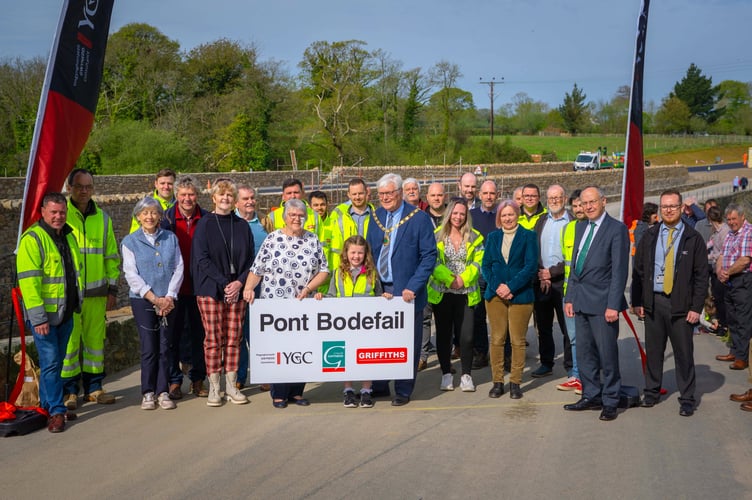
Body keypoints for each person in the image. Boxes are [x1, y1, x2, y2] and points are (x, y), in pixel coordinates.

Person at [243, 198, 330, 408]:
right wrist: (247, 288)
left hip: (302, 305)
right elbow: (257, 269)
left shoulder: (312, 239)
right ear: (285, 217)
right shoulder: (272, 239)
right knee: (280, 350)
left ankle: (297, 392)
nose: (296, 219)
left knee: (301, 349)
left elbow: (324, 270)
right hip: (276, 307)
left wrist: (309, 288)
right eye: (292, 215)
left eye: (300, 216)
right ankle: (279, 393)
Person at [631, 190, 708, 417]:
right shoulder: (650, 235)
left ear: (681, 207)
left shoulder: (693, 238)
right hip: (654, 302)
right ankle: (652, 392)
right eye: (664, 207)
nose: (668, 210)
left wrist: (696, 308)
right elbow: (639, 271)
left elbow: (702, 277)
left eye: (673, 206)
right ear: (659, 210)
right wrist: (637, 301)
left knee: (684, 354)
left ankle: (687, 398)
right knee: (654, 352)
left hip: (682, 306)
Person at [367, 173, 437, 406]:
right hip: (381, 290)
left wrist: (413, 286)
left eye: (389, 193)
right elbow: (371, 252)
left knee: (407, 343)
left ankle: (403, 390)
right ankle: (379, 385)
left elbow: (429, 256)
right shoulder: (376, 216)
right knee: (380, 341)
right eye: (381, 194)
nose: (385, 198)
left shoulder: (418, 219)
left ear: (400, 192)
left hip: (407, 292)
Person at [17, 193, 83, 432]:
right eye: (53, 212)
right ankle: (56, 411)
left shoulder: (68, 236)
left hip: (65, 313)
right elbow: (29, 283)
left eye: (62, 212)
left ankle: (47, 407)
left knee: (53, 364)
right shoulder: (32, 239)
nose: (58, 216)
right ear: (42, 212)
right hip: (45, 317)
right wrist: (38, 318)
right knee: (52, 363)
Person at [563, 185, 629, 422]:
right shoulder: (580, 227)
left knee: (607, 354)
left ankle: (610, 399)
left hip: (603, 305)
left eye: (592, 202)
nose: (588, 207)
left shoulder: (616, 230)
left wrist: (613, 305)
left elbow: (619, 272)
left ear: (603, 201)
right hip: (580, 301)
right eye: (584, 203)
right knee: (585, 353)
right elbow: (574, 267)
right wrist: (570, 297)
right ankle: (591, 395)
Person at [191, 179, 254, 407]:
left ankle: (231, 386)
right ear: (214, 198)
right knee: (213, 339)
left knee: (234, 339)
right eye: (222, 195)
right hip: (210, 289)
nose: (226, 199)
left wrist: (238, 283)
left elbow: (250, 260)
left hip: (236, 288)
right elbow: (202, 258)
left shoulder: (242, 226)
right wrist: (223, 283)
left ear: (234, 199)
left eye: (230, 195)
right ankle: (214, 388)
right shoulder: (205, 224)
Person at [62, 168, 120, 409]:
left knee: (95, 343)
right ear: (70, 188)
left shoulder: (103, 219)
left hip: (97, 295)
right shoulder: (62, 215)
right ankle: (69, 392)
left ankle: (94, 388)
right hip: (70, 296)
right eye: (79, 186)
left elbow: (111, 258)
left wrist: (113, 290)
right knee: (70, 345)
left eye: (88, 186)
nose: (84, 191)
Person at [122, 197, 184, 411]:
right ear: (138, 217)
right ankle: (148, 392)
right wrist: (152, 297)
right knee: (149, 346)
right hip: (143, 300)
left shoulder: (171, 238)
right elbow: (131, 274)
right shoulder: (129, 242)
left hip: (168, 299)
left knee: (165, 347)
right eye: (144, 213)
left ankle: (163, 391)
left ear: (159, 216)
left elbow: (178, 267)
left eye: (153, 212)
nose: (149, 216)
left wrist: (169, 296)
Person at [315, 235, 390, 408]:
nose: (356, 256)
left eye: (360, 253)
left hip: (366, 325)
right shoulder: (337, 273)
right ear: (346, 253)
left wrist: (385, 298)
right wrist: (321, 297)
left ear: (366, 255)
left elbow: (378, 295)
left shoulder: (372, 273)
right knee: (345, 357)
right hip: (345, 325)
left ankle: (365, 391)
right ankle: (348, 390)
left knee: (366, 358)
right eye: (353, 252)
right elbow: (332, 295)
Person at [482, 199, 538, 399]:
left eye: (511, 214)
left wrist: (511, 286)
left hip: (520, 295)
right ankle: (498, 382)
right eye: (503, 215)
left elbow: (530, 266)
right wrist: (499, 287)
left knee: (517, 340)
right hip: (495, 295)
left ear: (517, 215)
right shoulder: (493, 237)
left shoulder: (529, 236)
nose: (507, 218)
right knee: (497, 339)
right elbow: (486, 266)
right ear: (499, 217)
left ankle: (515, 382)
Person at [160, 175, 209, 398]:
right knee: (172, 337)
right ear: (176, 196)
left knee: (200, 337)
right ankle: (174, 381)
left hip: (199, 287)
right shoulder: (165, 220)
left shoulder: (207, 219)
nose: (187, 199)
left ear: (197, 196)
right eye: (183, 195)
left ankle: (198, 379)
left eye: (191, 194)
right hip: (173, 289)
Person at [428, 199, 484, 392]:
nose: (458, 217)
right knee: (444, 335)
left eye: (462, 214)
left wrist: (462, 279)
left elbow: (478, 262)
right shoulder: (436, 236)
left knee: (467, 336)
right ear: (448, 214)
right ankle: (446, 374)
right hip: (443, 293)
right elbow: (431, 261)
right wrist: (449, 279)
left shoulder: (475, 237)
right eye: (455, 213)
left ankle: (466, 376)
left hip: (466, 292)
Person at [531, 184, 572, 379]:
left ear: (565, 198)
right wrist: (541, 273)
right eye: (551, 198)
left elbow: (576, 256)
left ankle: (571, 365)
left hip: (563, 282)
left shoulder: (572, 222)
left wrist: (552, 272)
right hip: (542, 282)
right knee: (544, 326)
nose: (554, 201)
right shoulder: (541, 221)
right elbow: (534, 250)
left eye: (558, 197)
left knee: (567, 326)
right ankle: (546, 363)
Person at [235, 185, 268, 391]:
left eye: (252, 198)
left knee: (259, 334)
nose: (250, 202)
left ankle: (264, 373)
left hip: (262, 287)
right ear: (236, 202)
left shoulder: (266, 222)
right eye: (245, 198)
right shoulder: (231, 222)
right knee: (238, 333)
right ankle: (240, 375)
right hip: (239, 286)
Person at [715, 203, 752, 371]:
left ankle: (742, 357)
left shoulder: (748, 232)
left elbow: (745, 260)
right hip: (729, 280)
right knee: (732, 318)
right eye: (728, 219)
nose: (731, 222)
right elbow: (723, 254)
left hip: (742, 280)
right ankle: (735, 351)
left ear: (742, 217)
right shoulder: (730, 234)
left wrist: (727, 272)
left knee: (743, 319)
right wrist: (719, 271)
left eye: (734, 219)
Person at [557, 189, 585, 394]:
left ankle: (589, 375)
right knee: (573, 337)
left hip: (590, 292)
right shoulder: (567, 228)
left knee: (590, 337)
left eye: (581, 205)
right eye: (574, 206)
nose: (578, 209)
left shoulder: (596, 227)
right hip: (570, 292)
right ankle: (576, 374)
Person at [469, 180, 499, 370]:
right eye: (485, 193)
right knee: (477, 317)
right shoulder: (470, 216)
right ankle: (480, 353)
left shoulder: (502, 215)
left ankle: (502, 354)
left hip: (498, 275)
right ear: (479, 195)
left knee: (499, 318)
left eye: (492, 193)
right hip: (477, 274)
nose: (489, 197)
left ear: (497, 195)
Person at [419, 182, 446, 370]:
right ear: (427, 198)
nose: (437, 198)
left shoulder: (453, 217)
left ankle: (446, 359)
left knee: (445, 321)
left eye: (440, 195)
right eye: (433, 195)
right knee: (424, 319)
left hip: (449, 278)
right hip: (427, 278)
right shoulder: (420, 218)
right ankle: (422, 356)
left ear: (445, 197)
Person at [327, 178, 375, 272]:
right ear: (348, 195)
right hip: (347, 269)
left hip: (371, 268)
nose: (357, 197)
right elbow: (337, 249)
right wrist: (339, 271)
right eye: (354, 194)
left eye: (360, 193)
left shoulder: (377, 217)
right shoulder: (340, 219)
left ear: (366, 193)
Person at [129, 168, 177, 233]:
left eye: (170, 184)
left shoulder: (181, 206)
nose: (166, 187)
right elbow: (134, 237)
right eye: (162, 183)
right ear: (156, 184)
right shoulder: (144, 206)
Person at [707, 205, 730, 335]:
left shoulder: (724, 231)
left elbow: (723, 251)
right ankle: (720, 323)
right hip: (715, 268)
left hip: (722, 268)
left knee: (722, 299)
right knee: (716, 297)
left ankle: (724, 326)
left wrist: (709, 256)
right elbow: (711, 243)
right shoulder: (715, 231)